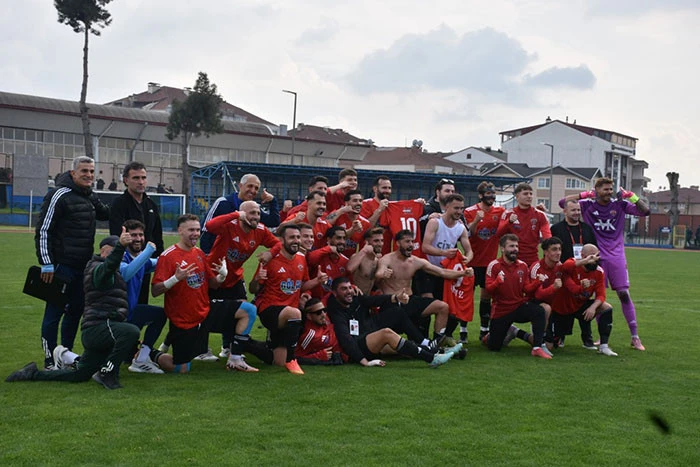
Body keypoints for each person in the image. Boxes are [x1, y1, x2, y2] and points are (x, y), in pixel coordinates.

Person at [7, 231, 141, 389]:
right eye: (116, 251)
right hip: (98, 327)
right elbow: (106, 270)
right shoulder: (96, 267)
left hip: (102, 328)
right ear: (104, 250)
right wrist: (120, 247)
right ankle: (107, 373)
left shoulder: (112, 270)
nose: (120, 256)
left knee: (80, 374)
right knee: (131, 331)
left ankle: (32, 373)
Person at [152, 214, 259, 373]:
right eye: (191, 230)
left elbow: (212, 284)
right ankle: (149, 353)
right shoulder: (168, 256)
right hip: (184, 320)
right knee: (181, 368)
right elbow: (155, 291)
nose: (195, 233)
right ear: (180, 231)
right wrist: (175, 279)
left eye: (197, 230)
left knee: (248, 310)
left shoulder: (199, 253)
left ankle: (235, 359)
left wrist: (222, 276)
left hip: (206, 312)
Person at [35, 156, 110, 369]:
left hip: (83, 267)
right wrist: (47, 263)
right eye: (84, 171)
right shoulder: (58, 194)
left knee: (75, 312)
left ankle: (65, 355)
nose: (89, 175)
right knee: (53, 314)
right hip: (61, 267)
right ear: (72, 173)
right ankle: (50, 359)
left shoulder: (89, 195)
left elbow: (106, 213)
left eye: (92, 171)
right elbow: (43, 230)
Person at [560, 177, 650, 351]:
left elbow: (645, 211)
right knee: (598, 297)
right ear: (597, 190)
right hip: (596, 257)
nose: (609, 192)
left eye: (610, 189)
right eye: (605, 189)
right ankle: (602, 338)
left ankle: (635, 337)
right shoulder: (587, 205)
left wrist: (632, 196)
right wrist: (584, 194)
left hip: (617, 257)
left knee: (624, 294)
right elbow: (563, 202)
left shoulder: (620, 205)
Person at [204, 200, 281, 357]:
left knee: (243, 309)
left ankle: (229, 347)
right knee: (203, 312)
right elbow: (210, 226)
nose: (256, 216)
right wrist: (235, 215)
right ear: (242, 214)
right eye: (252, 213)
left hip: (234, 277)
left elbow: (278, 244)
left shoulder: (260, 230)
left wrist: (270, 253)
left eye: (258, 213)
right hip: (213, 275)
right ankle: (201, 349)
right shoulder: (230, 225)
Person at [249, 224, 327, 375]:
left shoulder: (301, 259)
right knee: (295, 313)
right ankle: (292, 359)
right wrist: (257, 279)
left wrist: (317, 281)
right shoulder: (271, 259)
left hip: (290, 316)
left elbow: (302, 286)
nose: (296, 240)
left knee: (278, 362)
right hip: (270, 309)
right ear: (281, 240)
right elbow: (253, 289)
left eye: (298, 237)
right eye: (292, 237)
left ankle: (245, 343)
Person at [327, 278, 458, 367]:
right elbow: (346, 339)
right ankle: (432, 358)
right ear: (334, 293)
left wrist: (395, 298)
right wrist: (364, 361)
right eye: (344, 289)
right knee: (387, 334)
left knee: (396, 312)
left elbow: (373, 300)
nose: (349, 291)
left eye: (349, 287)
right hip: (359, 343)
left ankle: (431, 347)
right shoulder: (336, 312)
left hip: (367, 329)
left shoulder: (355, 297)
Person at [375, 229, 471, 342]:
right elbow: (378, 274)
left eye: (412, 241)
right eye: (407, 241)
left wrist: (463, 273)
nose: (411, 245)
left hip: (410, 300)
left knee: (443, 307)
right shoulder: (387, 259)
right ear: (398, 243)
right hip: (392, 302)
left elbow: (442, 272)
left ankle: (437, 342)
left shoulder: (415, 261)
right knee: (389, 342)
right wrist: (382, 274)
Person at [483, 234, 551, 359]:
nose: (515, 249)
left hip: (518, 306)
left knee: (539, 311)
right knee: (494, 347)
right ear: (502, 248)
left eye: (516, 246)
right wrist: (497, 281)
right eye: (511, 246)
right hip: (501, 310)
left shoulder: (522, 266)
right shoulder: (494, 265)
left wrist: (537, 282)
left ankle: (537, 347)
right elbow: (488, 289)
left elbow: (526, 289)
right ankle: (512, 332)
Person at [114, 220, 168, 374]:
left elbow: (161, 262)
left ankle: (142, 358)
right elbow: (126, 273)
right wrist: (148, 251)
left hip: (130, 311)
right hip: (115, 315)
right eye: (133, 235)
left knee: (160, 314)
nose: (138, 239)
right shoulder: (120, 256)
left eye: (140, 235)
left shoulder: (141, 259)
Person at [109, 161, 164, 304]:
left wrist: (161, 261)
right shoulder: (119, 204)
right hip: (126, 264)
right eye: (136, 178)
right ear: (126, 180)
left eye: (143, 178)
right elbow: (116, 235)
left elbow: (157, 235)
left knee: (142, 303)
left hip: (146, 262)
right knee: (124, 303)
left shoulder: (151, 204)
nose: (141, 182)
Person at [422, 193, 474, 342]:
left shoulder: (460, 228)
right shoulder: (435, 222)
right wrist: (444, 253)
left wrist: (467, 258)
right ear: (446, 207)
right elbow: (425, 247)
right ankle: (423, 339)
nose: (459, 211)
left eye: (461, 208)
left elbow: (469, 250)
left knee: (451, 306)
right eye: (456, 208)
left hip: (447, 273)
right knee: (427, 305)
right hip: (428, 269)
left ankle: (442, 337)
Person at [552, 244, 617, 356]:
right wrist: (582, 286)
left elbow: (601, 295)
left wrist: (593, 307)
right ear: (582, 256)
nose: (594, 260)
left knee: (606, 308)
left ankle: (604, 346)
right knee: (553, 345)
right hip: (565, 306)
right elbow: (565, 269)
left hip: (581, 305)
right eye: (591, 256)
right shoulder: (572, 264)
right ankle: (559, 336)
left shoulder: (599, 271)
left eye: (596, 256)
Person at [464, 181, 505, 340]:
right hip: (472, 262)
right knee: (466, 298)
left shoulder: (500, 211)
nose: (491, 196)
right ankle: (463, 330)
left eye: (493, 193)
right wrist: (476, 220)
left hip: (489, 264)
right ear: (480, 195)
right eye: (488, 193)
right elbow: (468, 233)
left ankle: (484, 330)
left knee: (486, 298)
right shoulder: (470, 211)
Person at [200, 173, 280, 253]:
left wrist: (273, 201)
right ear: (240, 186)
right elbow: (205, 228)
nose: (253, 190)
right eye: (250, 186)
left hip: (234, 256)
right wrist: (207, 253)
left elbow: (274, 221)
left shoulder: (254, 210)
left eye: (256, 188)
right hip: (214, 253)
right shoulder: (223, 202)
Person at [496, 183, 552, 266]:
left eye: (531, 194)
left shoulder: (540, 214)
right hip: (512, 259)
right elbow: (499, 234)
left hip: (532, 260)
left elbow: (547, 236)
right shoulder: (508, 214)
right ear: (517, 196)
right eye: (525, 194)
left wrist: (548, 248)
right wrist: (509, 222)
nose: (529, 196)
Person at [295, 298, 346, 365]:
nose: (323, 314)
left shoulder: (324, 320)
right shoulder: (310, 335)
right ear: (309, 316)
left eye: (324, 310)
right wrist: (319, 355)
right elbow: (297, 357)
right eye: (318, 312)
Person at [306, 226, 353, 299]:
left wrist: (354, 287)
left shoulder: (345, 261)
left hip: (334, 301)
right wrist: (328, 248)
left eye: (344, 238)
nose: (342, 241)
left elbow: (348, 282)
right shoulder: (320, 255)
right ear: (329, 239)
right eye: (338, 238)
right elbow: (310, 258)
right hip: (315, 300)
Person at [326, 189, 372, 257]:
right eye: (355, 201)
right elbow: (326, 222)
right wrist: (342, 210)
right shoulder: (338, 215)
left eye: (360, 201)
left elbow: (363, 247)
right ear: (346, 203)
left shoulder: (365, 223)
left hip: (350, 258)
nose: (358, 203)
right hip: (332, 255)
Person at [347, 227, 389, 295]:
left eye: (382, 240)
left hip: (367, 297)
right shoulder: (358, 257)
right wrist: (364, 250)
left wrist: (384, 276)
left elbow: (373, 281)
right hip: (354, 297)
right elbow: (349, 269)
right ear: (366, 242)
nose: (380, 244)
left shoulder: (378, 260)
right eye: (376, 241)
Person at [360, 175, 394, 255]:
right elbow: (364, 230)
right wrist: (379, 210)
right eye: (384, 188)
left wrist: (418, 203)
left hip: (386, 254)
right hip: (367, 254)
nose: (387, 191)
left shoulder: (393, 206)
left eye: (389, 188)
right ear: (375, 189)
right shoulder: (365, 204)